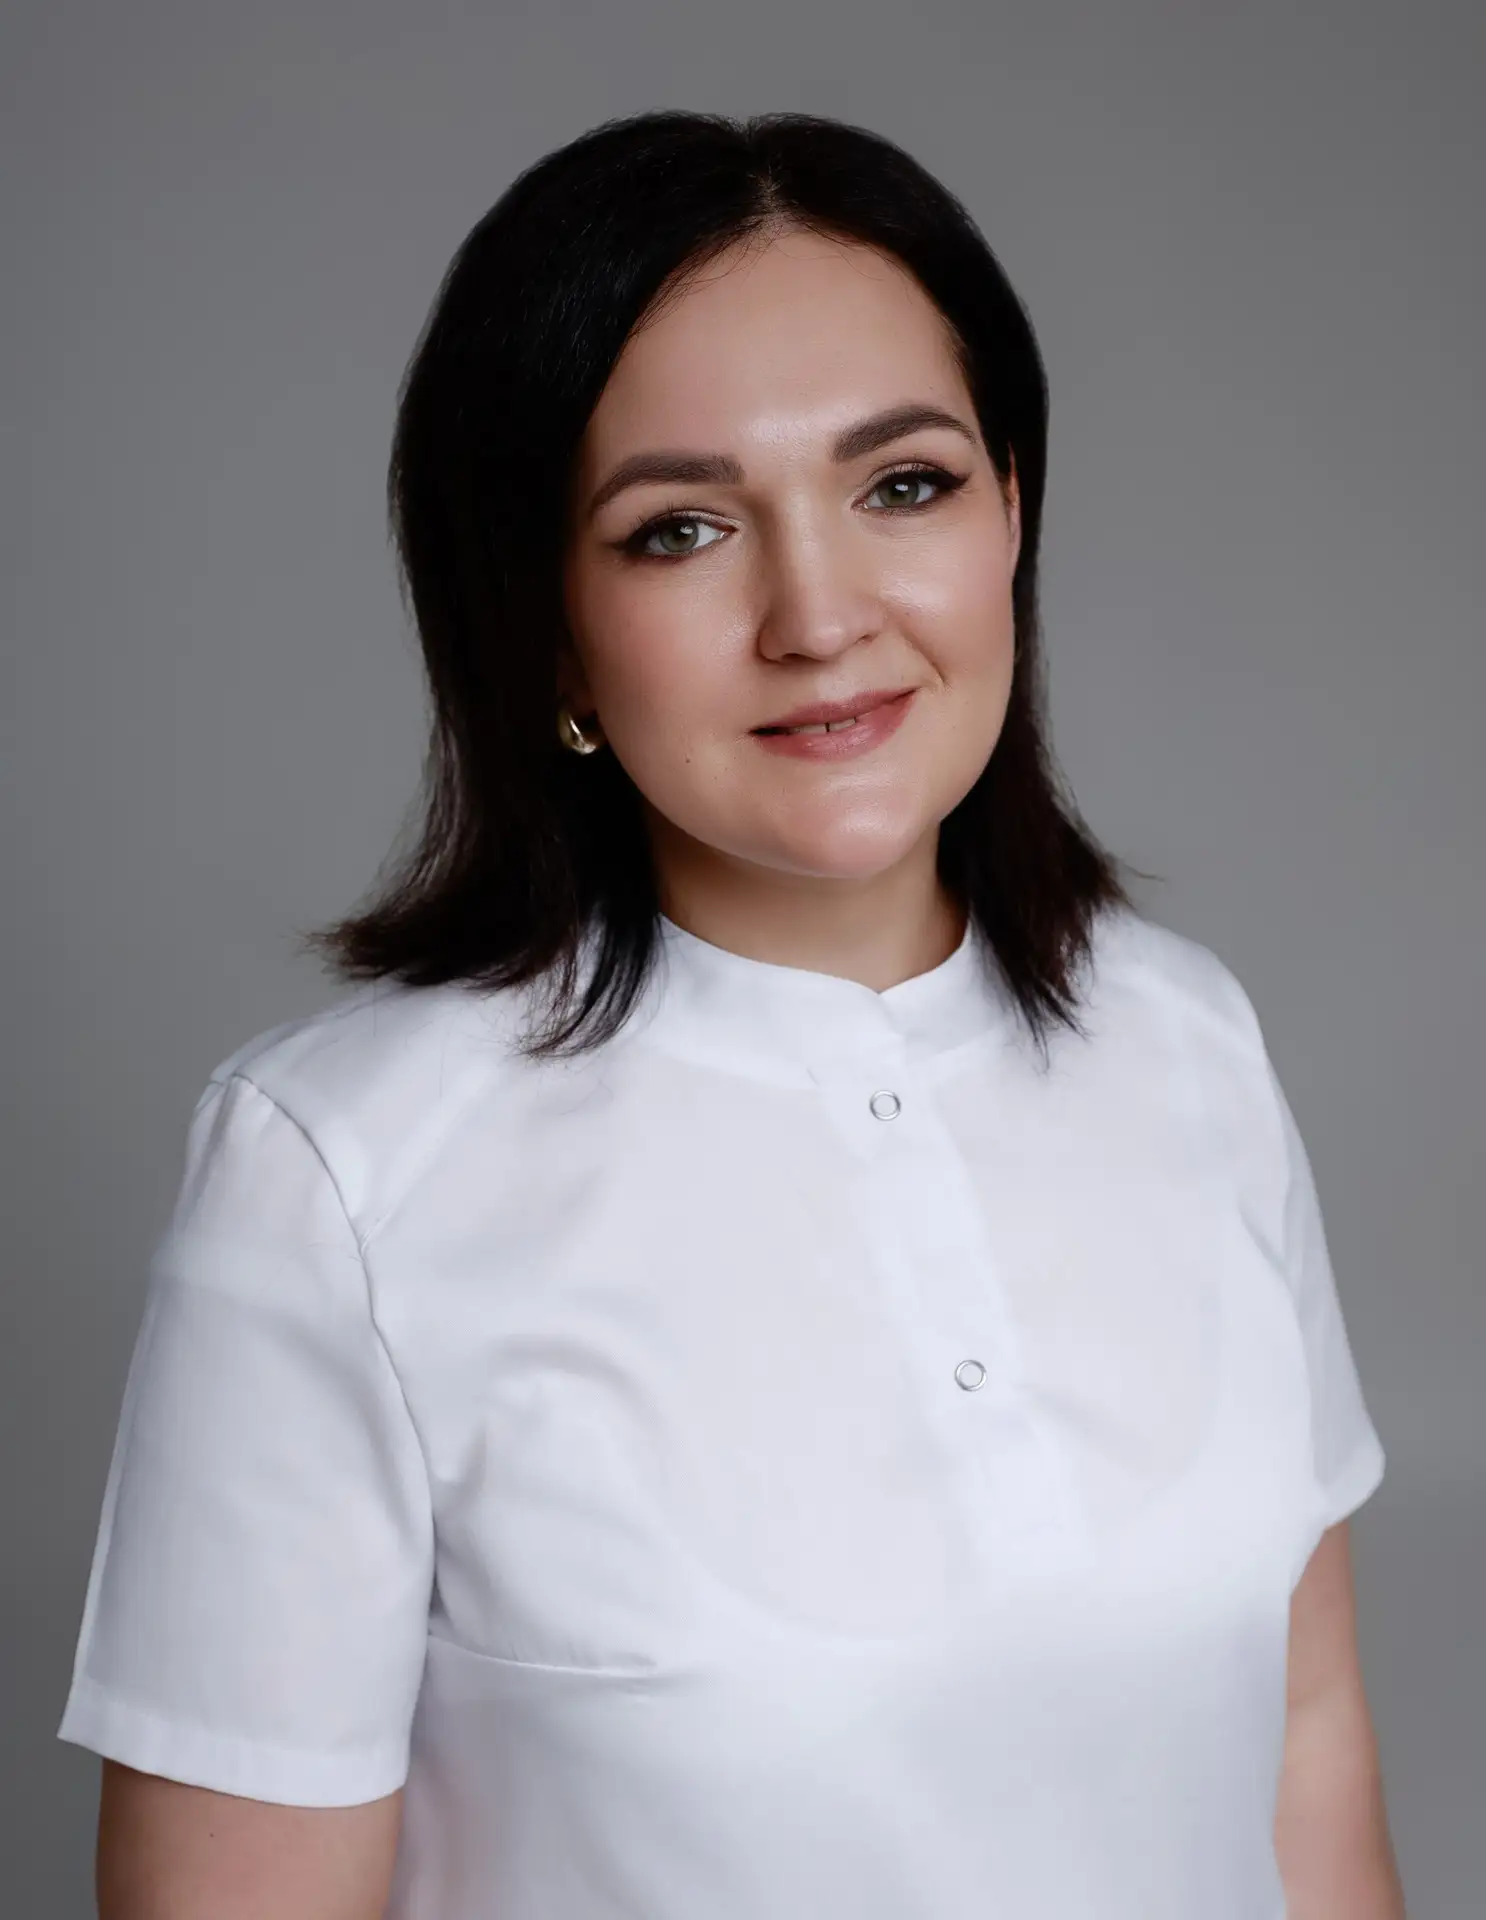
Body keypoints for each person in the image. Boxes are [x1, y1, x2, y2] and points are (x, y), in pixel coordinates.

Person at [58, 109, 1405, 1919]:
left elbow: (1306, 1741)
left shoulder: (1189, 1042)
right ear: (546, 628)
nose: (819, 615)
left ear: (1013, 509)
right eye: (679, 529)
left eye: (903, 485)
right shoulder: (339, 1181)